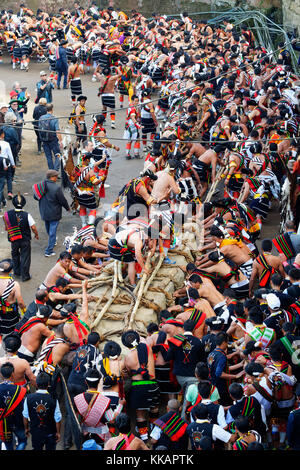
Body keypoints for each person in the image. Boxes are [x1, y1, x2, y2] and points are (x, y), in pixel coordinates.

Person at [122, 330, 160, 441]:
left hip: (138, 388)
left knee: (140, 415)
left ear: (125, 345)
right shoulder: (147, 348)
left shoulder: (127, 358)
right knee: (154, 410)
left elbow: (128, 374)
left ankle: (144, 439)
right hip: (152, 385)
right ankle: (154, 435)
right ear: (138, 340)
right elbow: (142, 340)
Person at [73, 368, 124, 446]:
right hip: (101, 437)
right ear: (99, 382)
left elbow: (76, 420)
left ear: (85, 382)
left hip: (85, 436)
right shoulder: (105, 401)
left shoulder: (77, 399)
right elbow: (112, 420)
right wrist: (120, 405)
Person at [34, 169, 70, 257]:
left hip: (44, 211)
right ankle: (49, 251)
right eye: (56, 176)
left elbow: (36, 197)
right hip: (54, 212)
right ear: (52, 177)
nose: (57, 178)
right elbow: (62, 200)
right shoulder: (56, 188)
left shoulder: (40, 185)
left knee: (48, 228)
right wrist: (67, 208)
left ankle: (52, 241)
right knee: (52, 231)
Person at [3, 193, 39, 282]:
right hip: (25, 240)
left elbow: (6, 227)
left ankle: (17, 272)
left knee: (15, 255)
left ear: (13, 203)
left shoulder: (7, 214)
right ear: (24, 204)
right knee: (25, 257)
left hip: (14, 239)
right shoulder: (27, 215)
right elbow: (33, 227)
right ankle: (25, 276)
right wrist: (36, 234)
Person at [23, 371, 62, 450]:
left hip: (36, 433)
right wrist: (58, 433)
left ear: (36, 384)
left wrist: (26, 428)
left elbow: (25, 416)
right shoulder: (53, 399)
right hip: (50, 433)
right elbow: (57, 418)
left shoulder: (29, 398)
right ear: (48, 384)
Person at [0, 362, 27, 450]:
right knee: (22, 441)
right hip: (18, 422)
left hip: (4, 424)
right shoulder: (21, 390)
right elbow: (24, 410)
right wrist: (26, 426)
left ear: (1, 375)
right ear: (12, 374)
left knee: (8, 444)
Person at [0, 259, 26, 338]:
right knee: (11, 329)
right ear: (11, 270)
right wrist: (24, 310)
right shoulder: (14, 285)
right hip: (10, 313)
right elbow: (20, 302)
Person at [38, 103, 63, 171]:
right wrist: (61, 141)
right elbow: (57, 131)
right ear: (52, 109)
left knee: (49, 157)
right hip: (53, 140)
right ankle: (55, 170)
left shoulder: (41, 118)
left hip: (44, 140)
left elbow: (39, 129)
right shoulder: (54, 119)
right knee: (58, 155)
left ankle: (52, 173)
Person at [0, 127, 16, 208]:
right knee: (9, 177)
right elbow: (10, 155)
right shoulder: (6, 144)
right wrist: (13, 164)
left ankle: (2, 194)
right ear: (2, 135)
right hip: (6, 161)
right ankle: (10, 192)